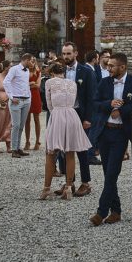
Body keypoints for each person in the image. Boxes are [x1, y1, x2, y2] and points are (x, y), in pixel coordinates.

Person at [88, 52, 132, 225]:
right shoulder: (104, 81)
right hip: (104, 132)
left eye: (112, 66)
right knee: (108, 173)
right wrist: (109, 104)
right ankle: (116, 211)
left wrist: (122, 110)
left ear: (122, 67)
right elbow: (94, 103)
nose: (108, 68)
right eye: (107, 65)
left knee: (112, 173)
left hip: (121, 133)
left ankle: (101, 212)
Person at [40, 62, 94, 200]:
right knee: (70, 152)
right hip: (72, 115)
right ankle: (69, 188)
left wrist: (56, 114)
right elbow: (75, 102)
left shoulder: (49, 82)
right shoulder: (72, 83)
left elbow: (48, 104)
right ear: (63, 72)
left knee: (51, 153)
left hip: (57, 114)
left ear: (51, 73)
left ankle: (46, 189)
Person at [59, 42, 98, 195]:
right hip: (64, 115)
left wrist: (88, 118)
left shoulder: (86, 72)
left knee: (81, 150)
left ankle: (86, 183)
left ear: (75, 53)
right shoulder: (60, 70)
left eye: (68, 53)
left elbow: (91, 97)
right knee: (65, 149)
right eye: (64, 54)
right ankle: (69, 182)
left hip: (80, 114)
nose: (66, 56)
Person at [4, 54, 35, 158]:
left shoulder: (27, 71)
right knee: (16, 125)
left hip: (26, 100)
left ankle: (18, 147)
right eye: (31, 61)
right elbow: (6, 82)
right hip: (16, 101)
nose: (33, 63)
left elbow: (24, 85)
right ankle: (13, 149)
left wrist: (29, 97)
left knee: (21, 126)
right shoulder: (14, 69)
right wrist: (11, 96)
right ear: (26, 60)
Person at [24, 57, 43, 151]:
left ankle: (37, 141)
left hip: (35, 96)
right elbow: (22, 84)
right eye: (30, 61)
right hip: (26, 96)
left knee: (36, 119)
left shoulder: (38, 72)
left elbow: (38, 85)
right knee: (26, 120)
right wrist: (31, 83)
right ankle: (27, 141)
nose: (32, 63)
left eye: (33, 61)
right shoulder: (25, 71)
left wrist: (29, 84)